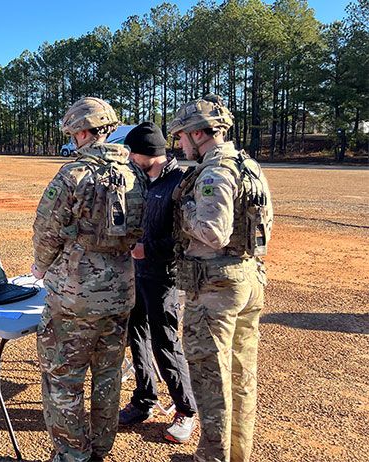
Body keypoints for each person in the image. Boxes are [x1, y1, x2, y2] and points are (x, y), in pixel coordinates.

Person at [31, 97, 146, 462]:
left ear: (82, 132)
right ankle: (99, 449)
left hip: (75, 297)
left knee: (63, 379)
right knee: (109, 376)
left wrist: (40, 267)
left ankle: (71, 455)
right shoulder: (135, 173)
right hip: (121, 292)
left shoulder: (73, 174)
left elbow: (46, 231)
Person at [169, 94, 273, 462]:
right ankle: (236, 453)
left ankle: (212, 458)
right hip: (247, 278)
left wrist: (184, 209)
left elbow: (214, 232)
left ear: (200, 134)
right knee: (241, 377)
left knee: (212, 381)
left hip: (216, 287)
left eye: (181, 136)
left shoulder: (214, 171)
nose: (179, 144)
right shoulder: (248, 164)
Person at [117, 122, 198, 443]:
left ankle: (186, 410)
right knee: (135, 336)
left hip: (163, 276)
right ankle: (144, 399)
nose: (130, 158)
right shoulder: (140, 180)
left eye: (134, 153)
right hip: (137, 274)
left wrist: (147, 248)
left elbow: (187, 237)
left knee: (165, 343)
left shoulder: (181, 183)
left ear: (150, 153)